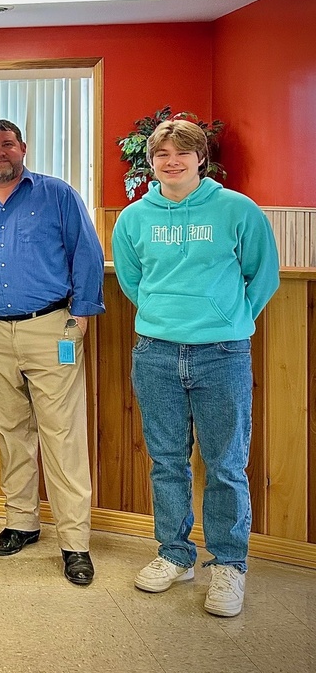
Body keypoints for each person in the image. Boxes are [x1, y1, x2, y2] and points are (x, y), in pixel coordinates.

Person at [112, 119, 279, 617]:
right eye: (162, 154)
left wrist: (229, 319)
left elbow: (262, 275)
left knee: (226, 464)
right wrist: (164, 316)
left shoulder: (237, 209)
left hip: (222, 354)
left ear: (200, 158)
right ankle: (174, 554)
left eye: (182, 153)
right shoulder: (133, 219)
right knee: (167, 461)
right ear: (151, 162)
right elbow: (132, 281)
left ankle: (228, 564)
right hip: (156, 351)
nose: (172, 162)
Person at [0, 119, 104, 586]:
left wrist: (81, 316)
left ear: (23, 148)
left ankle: (75, 542)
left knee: (62, 434)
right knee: (11, 430)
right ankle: (21, 523)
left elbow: (86, 253)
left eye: (7, 145)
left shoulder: (57, 195)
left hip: (51, 329)